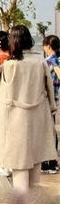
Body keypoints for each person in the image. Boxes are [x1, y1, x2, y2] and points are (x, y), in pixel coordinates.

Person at [0, 26, 57, 203]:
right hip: (38, 118)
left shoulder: (11, 65)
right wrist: (51, 108)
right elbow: (49, 91)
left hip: (17, 122)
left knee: (20, 167)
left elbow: (4, 95)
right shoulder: (39, 62)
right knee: (35, 165)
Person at [42, 35, 60, 174]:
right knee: (51, 130)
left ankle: (48, 161)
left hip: (45, 100)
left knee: (45, 131)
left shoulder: (48, 62)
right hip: (55, 99)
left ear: (48, 46)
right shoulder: (58, 61)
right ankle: (52, 162)